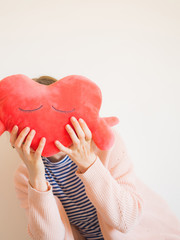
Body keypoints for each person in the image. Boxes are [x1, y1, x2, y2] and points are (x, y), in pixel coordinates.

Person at [12, 76, 180, 240]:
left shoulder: (103, 143)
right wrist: (36, 177)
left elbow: (127, 221)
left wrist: (88, 163)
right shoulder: (25, 177)